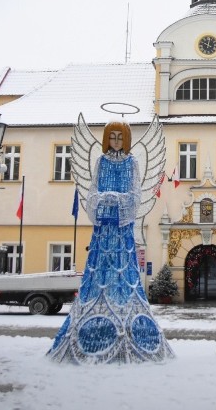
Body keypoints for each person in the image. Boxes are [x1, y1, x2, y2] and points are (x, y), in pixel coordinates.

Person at [48, 121, 174, 364]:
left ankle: (127, 325)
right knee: (100, 271)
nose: (116, 141)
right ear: (107, 139)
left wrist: (118, 199)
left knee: (123, 270)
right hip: (103, 228)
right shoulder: (101, 162)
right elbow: (92, 191)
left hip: (121, 228)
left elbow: (135, 194)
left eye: (120, 137)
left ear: (125, 140)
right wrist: (101, 198)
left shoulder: (132, 163)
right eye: (112, 137)